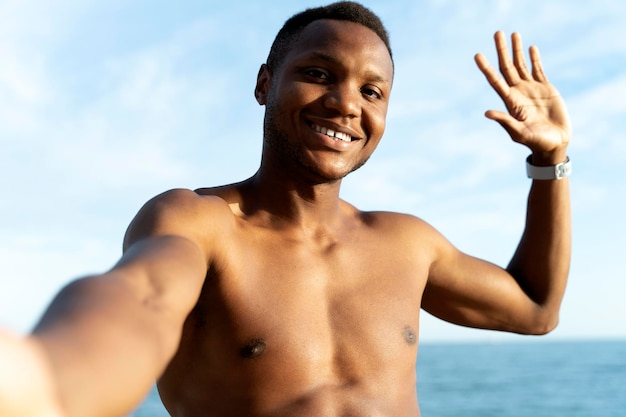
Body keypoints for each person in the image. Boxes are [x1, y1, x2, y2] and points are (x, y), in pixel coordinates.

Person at [0, 2, 572, 416]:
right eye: (318, 74)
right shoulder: (202, 223)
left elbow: (535, 309)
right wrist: (55, 377)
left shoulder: (407, 243)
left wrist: (551, 160)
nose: (346, 102)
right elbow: (144, 294)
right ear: (265, 84)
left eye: (372, 91)